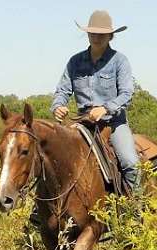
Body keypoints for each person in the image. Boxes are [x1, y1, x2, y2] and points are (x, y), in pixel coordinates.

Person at [50, 10, 141, 194]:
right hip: (82, 121)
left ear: (110, 36)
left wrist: (105, 108)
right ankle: (40, 214)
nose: (96, 37)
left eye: (101, 34)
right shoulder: (75, 61)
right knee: (51, 156)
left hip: (113, 123)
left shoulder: (119, 61)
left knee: (131, 163)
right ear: (87, 34)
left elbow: (126, 94)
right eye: (92, 33)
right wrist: (58, 106)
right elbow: (62, 90)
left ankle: (134, 212)